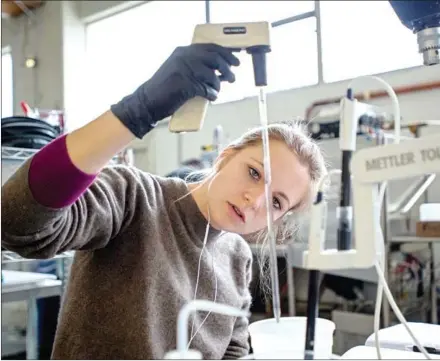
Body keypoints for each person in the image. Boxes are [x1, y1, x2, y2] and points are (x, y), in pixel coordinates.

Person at [1, 43, 326, 360]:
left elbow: (234, 353)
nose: (254, 200)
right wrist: (136, 112)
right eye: (255, 173)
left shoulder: (237, 257)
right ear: (226, 157)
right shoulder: (133, 197)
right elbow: (17, 222)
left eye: (277, 202)